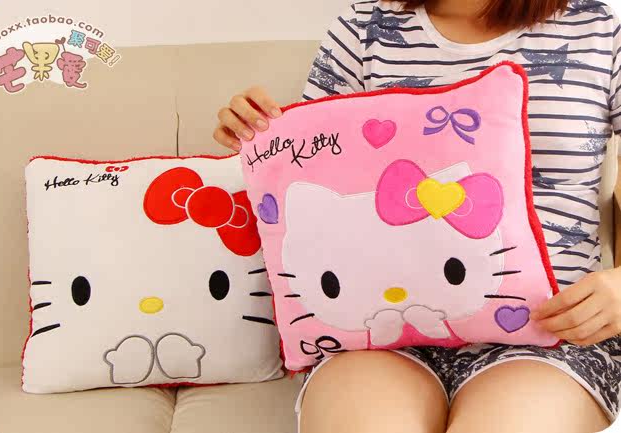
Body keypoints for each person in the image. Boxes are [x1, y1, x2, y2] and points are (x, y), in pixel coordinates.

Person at [213, 1, 621, 431]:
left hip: (554, 336)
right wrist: (255, 130)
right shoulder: (363, 29)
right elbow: (315, 169)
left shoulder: (597, 29)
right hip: (375, 331)